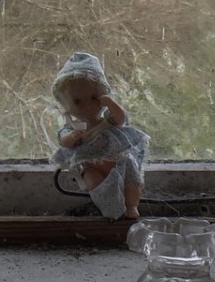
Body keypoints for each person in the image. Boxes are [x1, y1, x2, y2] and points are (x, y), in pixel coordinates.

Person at [50, 52, 147, 219]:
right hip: (92, 165)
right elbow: (64, 140)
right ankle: (112, 209)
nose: (87, 104)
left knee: (132, 176)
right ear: (65, 105)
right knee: (93, 182)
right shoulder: (72, 127)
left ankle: (131, 206)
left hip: (118, 161)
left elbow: (120, 119)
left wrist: (111, 103)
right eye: (77, 101)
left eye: (94, 97)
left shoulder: (107, 120)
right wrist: (72, 137)